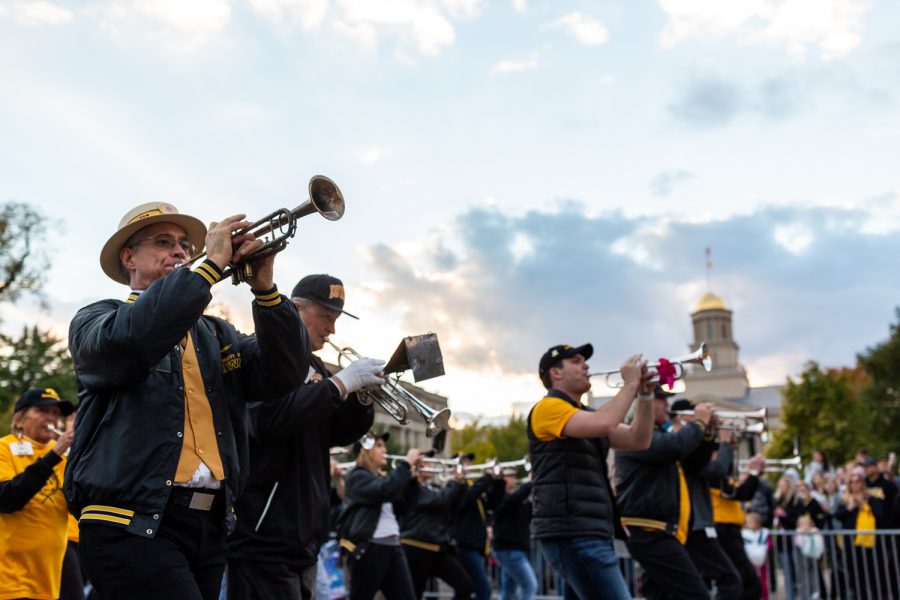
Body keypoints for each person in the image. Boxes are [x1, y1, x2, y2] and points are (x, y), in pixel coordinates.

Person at [66, 203, 309, 600]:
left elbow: (283, 374)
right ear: (128, 258)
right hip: (130, 521)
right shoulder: (97, 318)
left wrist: (265, 289)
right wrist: (209, 266)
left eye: (184, 244)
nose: (180, 251)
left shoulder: (216, 334)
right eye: (163, 242)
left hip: (208, 524)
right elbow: (134, 339)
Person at [227, 274, 377, 600]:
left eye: (335, 319)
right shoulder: (259, 355)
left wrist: (362, 399)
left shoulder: (318, 367)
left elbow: (334, 433)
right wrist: (340, 385)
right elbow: (269, 420)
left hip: (303, 534)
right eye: (326, 317)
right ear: (295, 310)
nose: (332, 329)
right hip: (264, 533)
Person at [528, 343, 654, 600]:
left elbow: (639, 439)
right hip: (573, 531)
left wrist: (645, 396)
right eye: (575, 361)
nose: (585, 365)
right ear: (556, 373)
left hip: (588, 529)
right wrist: (630, 385)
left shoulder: (584, 415)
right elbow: (605, 423)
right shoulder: (548, 408)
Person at [615, 389, 713, 600]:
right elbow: (674, 448)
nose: (667, 405)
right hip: (648, 529)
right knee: (697, 595)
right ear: (642, 402)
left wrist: (707, 434)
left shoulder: (658, 434)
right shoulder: (633, 433)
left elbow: (695, 465)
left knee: (659, 595)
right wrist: (698, 424)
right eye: (660, 399)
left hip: (661, 529)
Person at [0, 387, 76, 600]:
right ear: (19, 419)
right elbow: (7, 499)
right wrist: (54, 455)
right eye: (43, 412)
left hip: (51, 570)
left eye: (55, 413)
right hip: (10, 573)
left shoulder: (66, 455)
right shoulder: (4, 448)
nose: (51, 418)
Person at [670, 400, 743, 599]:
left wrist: (715, 439)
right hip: (693, 525)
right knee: (730, 581)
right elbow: (715, 470)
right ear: (681, 417)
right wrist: (725, 442)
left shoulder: (686, 442)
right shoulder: (677, 442)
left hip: (697, 523)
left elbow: (724, 476)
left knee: (699, 585)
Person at [339, 432, 418, 600]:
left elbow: (407, 506)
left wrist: (412, 480)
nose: (385, 449)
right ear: (365, 451)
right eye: (379, 446)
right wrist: (406, 464)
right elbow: (386, 490)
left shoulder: (381, 477)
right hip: (370, 548)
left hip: (393, 546)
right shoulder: (357, 475)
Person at [399, 456, 472, 599]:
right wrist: (454, 481)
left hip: (437, 548)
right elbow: (440, 501)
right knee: (414, 595)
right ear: (416, 466)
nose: (430, 464)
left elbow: (452, 507)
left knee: (465, 586)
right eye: (425, 462)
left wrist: (462, 484)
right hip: (415, 547)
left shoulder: (433, 488)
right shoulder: (411, 488)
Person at [709, 443, 764, 600]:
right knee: (743, 584)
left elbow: (743, 492)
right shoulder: (713, 473)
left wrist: (754, 475)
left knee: (739, 583)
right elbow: (739, 493)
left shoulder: (719, 476)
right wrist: (753, 473)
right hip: (722, 530)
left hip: (728, 531)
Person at [449, 454, 505, 600]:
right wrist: (487, 476)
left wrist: (498, 481)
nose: (468, 466)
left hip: (476, 546)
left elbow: (493, 504)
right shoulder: (453, 487)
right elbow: (468, 497)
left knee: (464, 589)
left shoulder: (473, 486)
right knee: (484, 590)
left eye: (468, 463)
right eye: (464, 463)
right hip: (463, 546)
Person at [834, 470, 886, 600]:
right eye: (851, 482)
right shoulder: (845, 500)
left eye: (857, 481)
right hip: (852, 544)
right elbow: (837, 516)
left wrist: (864, 505)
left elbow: (880, 515)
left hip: (870, 544)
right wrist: (849, 508)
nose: (854, 484)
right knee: (855, 576)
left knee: (873, 575)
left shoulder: (871, 498)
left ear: (862, 483)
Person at [492, 469, 537, 600]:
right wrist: (529, 484)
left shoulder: (517, 499)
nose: (513, 479)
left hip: (516, 549)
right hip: (509, 549)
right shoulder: (499, 497)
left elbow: (528, 515)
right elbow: (512, 501)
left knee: (508, 591)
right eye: (509, 476)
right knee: (530, 586)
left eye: (513, 476)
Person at [742, 512, 770, 600]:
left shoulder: (763, 532)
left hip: (762, 560)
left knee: (763, 581)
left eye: (753, 522)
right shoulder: (743, 533)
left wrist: (762, 550)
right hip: (748, 561)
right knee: (750, 581)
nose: (751, 524)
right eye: (749, 522)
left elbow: (769, 544)